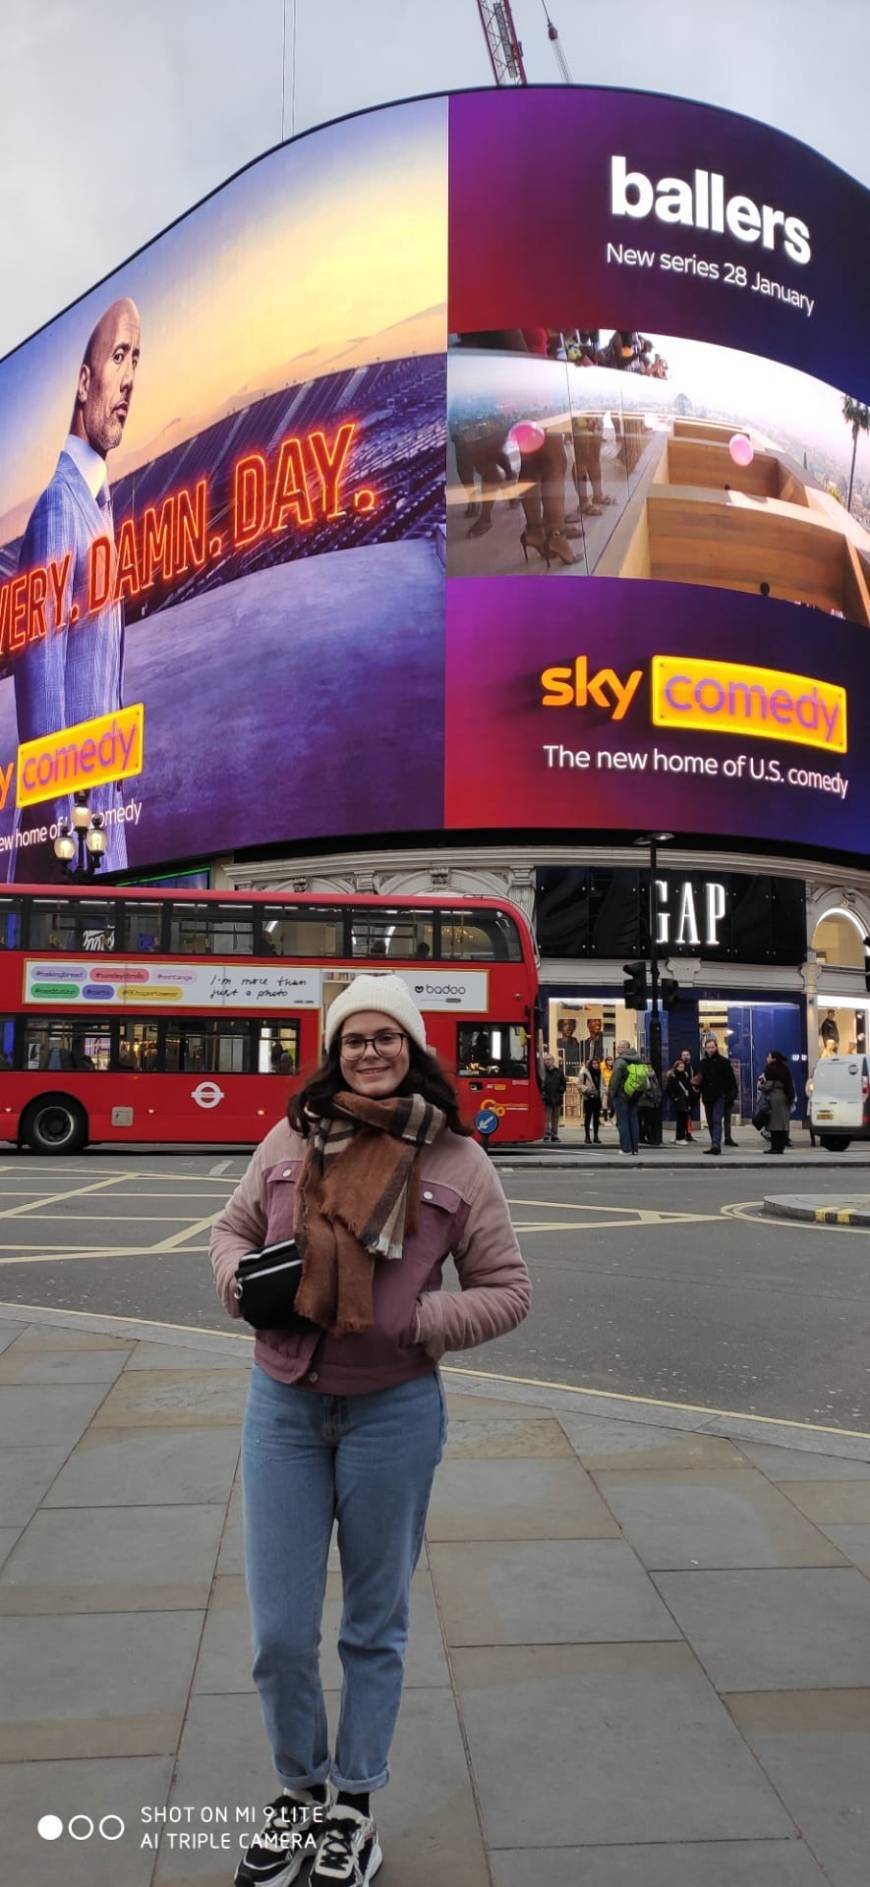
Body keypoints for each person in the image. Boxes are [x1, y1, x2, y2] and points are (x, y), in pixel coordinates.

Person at [209, 974, 531, 1887]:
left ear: (415, 1049)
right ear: (334, 1050)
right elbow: (230, 1230)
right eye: (355, 1038)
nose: (371, 1051)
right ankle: (298, 1793)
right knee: (277, 1629)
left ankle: (352, 1807)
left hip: (394, 1407)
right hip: (284, 1402)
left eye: (389, 1037)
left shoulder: (459, 1162)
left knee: (374, 1623)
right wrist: (239, 1282)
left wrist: (421, 1323)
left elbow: (510, 1288)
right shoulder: (291, 1135)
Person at [10, 298, 141, 881]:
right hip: (72, 854)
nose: (131, 379)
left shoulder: (99, 512)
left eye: (137, 359)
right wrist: (65, 832)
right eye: (119, 356)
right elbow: (42, 699)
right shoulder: (60, 510)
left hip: (100, 837)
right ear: (85, 382)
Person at [694, 1034, 738, 1156]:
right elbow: (700, 1078)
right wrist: (697, 1087)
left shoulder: (724, 1062)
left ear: (716, 1048)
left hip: (719, 1095)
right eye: (708, 1047)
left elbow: (731, 1080)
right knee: (710, 1121)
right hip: (707, 1096)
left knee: (716, 1119)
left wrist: (730, 1094)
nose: (710, 1049)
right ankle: (714, 1142)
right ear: (705, 1049)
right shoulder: (703, 1063)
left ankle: (716, 1144)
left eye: (712, 1047)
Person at [609, 1039, 648, 1155]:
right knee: (634, 1120)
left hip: (621, 1095)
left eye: (619, 1047)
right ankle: (635, 1148)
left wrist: (612, 1093)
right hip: (635, 1094)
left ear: (625, 1048)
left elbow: (615, 1078)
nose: (617, 1049)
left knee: (623, 1122)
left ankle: (626, 1148)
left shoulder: (620, 1061)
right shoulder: (638, 1059)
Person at [758, 1050, 795, 1154]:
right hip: (785, 1098)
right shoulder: (785, 1068)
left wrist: (760, 1085)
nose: (767, 1058)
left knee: (774, 1125)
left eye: (769, 1056)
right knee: (782, 1124)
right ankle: (781, 1147)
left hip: (774, 1099)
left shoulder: (770, 1068)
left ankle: (775, 1147)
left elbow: (768, 1085)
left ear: (774, 1058)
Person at [667, 1053, 694, 1143]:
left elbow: (688, 1087)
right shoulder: (674, 1077)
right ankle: (680, 1137)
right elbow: (669, 1089)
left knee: (683, 1119)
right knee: (681, 1119)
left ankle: (679, 1136)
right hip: (679, 1100)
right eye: (680, 1067)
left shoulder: (685, 1076)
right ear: (676, 1067)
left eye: (682, 1067)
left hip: (685, 1100)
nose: (682, 1069)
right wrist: (675, 1097)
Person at [541, 1051, 567, 1142]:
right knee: (546, 1118)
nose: (547, 1061)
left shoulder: (559, 1072)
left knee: (555, 1118)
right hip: (546, 1098)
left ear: (553, 1060)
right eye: (545, 1060)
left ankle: (554, 1135)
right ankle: (546, 1134)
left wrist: (560, 1091)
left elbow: (564, 1084)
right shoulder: (543, 1072)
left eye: (549, 1059)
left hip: (556, 1098)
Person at [579, 1056, 602, 1143]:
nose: (595, 1065)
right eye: (593, 1063)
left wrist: (601, 1092)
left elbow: (602, 1084)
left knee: (596, 1118)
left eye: (597, 1063)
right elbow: (579, 1085)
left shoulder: (600, 1073)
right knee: (588, 1117)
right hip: (588, 1098)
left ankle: (596, 1136)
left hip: (597, 1098)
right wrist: (588, 1090)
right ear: (590, 1064)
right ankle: (587, 1136)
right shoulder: (585, 1073)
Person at [636, 1062, 661, 1144]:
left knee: (649, 1121)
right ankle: (645, 1137)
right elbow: (643, 1089)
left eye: (650, 1067)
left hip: (653, 1102)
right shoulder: (642, 1076)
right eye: (647, 1067)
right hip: (644, 1102)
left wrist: (657, 1097)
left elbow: (657, 1087)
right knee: (646, 1121)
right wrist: (650, 1095)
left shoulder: (654, 1076)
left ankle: (647, 1137)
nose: (649, 1069)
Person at [600, 1055, 614, 1121]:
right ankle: (605, 1117)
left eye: (611, 1060)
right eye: (608, 1060)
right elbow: (601, 1065)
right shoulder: (603, 1067)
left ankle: (611, 1114)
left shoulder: (614, 1069)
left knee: (612, 1102)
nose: (610, 1062)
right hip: (605, 1087)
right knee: (604, 1102)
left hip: (612, 1087)